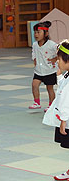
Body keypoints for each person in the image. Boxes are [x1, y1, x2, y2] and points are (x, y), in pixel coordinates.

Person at [42, 40, 69, 180]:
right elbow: (62, 87)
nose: (57, 61)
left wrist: (63, 120)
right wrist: (59, 75)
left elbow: (66, 100)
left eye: (59, 59)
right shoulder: (67, 75)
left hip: (67, 119)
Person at [29, 21, 58, 112]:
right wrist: (34, 59)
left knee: (49, 88)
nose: (36, 34)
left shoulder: (51, 44)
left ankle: (51, 105)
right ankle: (37, 102)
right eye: (35, 32)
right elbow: (34, 52)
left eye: (39, 32)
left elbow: (60, 51)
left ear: (46, 34)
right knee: (34, 85)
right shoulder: (34, 44)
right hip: (38, 70)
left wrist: (55, 59)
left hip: (50, 70)